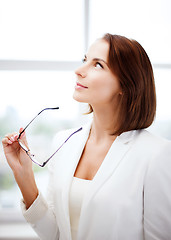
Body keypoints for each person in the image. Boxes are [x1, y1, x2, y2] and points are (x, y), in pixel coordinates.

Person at [2, 33, 171, 240]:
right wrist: (23, 174)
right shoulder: (64, 142)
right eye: (85, 60)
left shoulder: (156, 155)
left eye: (97, 65)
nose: (79, 70)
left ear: (126, 85)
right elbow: (55, 234)